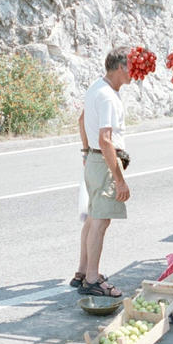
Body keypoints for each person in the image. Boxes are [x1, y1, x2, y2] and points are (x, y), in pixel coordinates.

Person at [70, 47, 132, 297]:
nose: (134, 73)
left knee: (93, 218)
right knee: (101, 222)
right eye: (131, 67)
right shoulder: (107, 96)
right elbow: (106, 140)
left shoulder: (97, 87)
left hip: (95, 160)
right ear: (120, 67)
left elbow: (81, 120)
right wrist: (119, 180)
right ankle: (93, 280)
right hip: (105, 162)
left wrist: (86, 152)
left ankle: (83, 272)